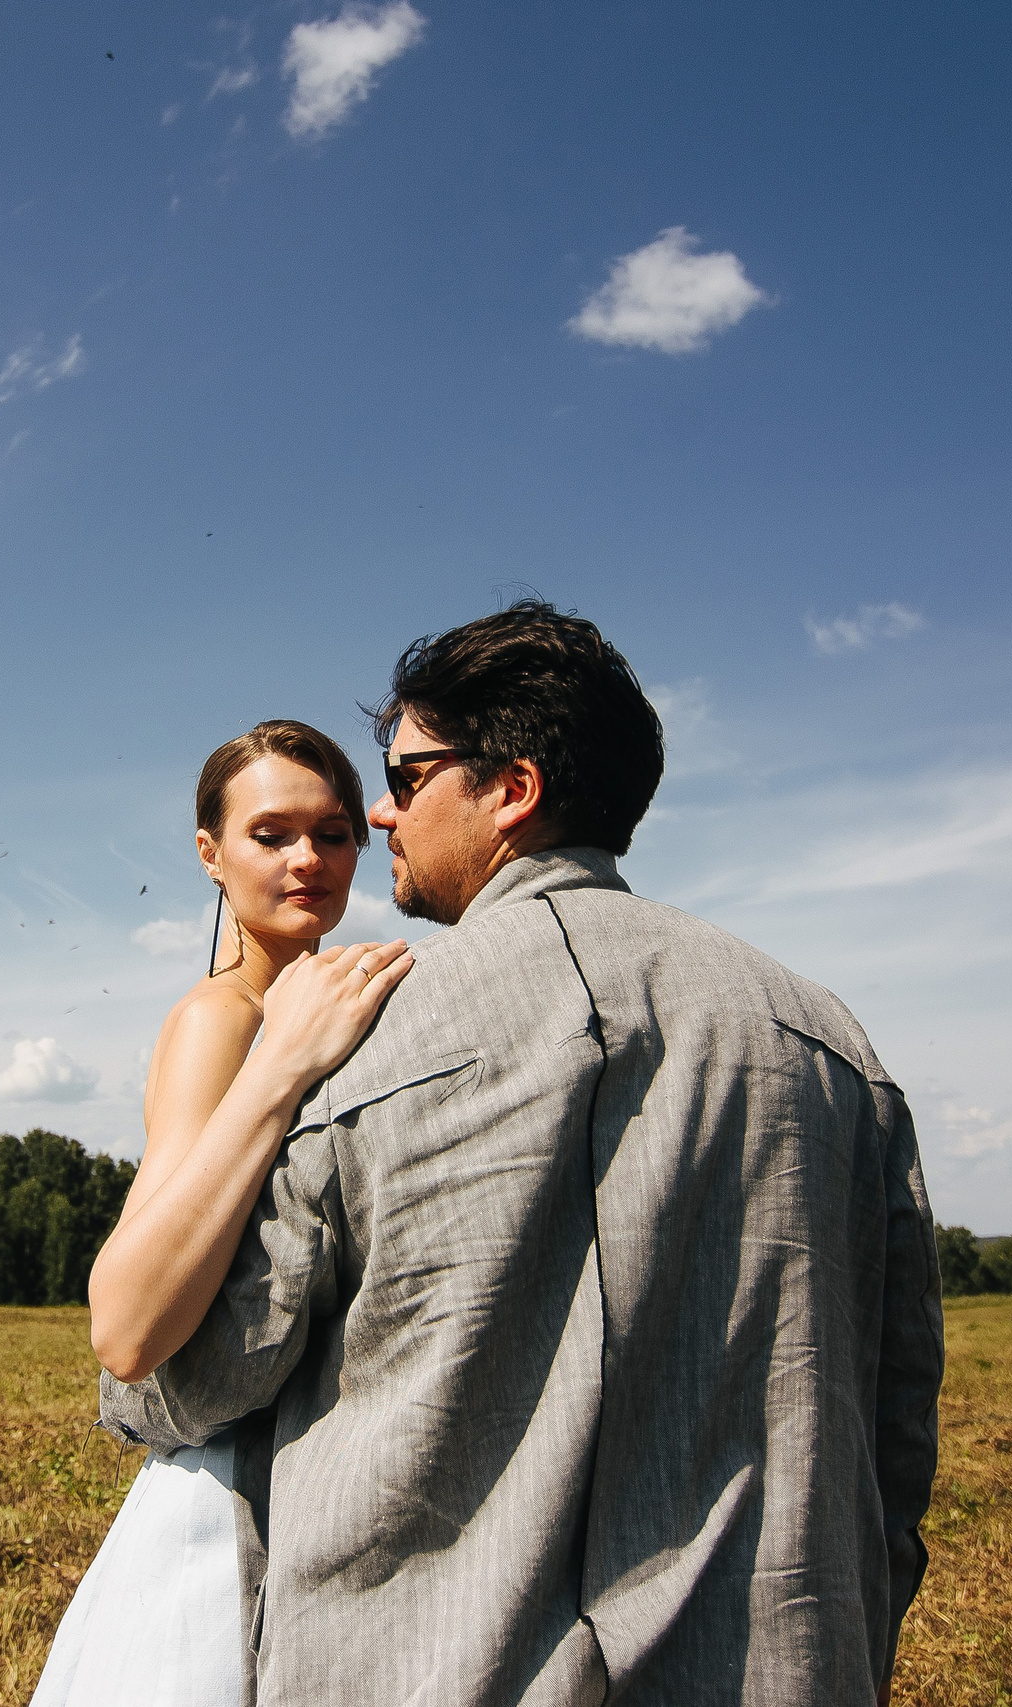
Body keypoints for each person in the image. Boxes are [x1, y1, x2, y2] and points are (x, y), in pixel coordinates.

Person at [101, 603, 944, 1707]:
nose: (389, 818)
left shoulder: (359, 1039)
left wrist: (139, 1407)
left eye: (402, 780)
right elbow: (896, 1423)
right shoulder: (828, 1040)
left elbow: (202, 1376)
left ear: (511, 789)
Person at [32, 718, 415, 1707]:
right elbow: (124, 1326)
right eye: (271, 834)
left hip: (320, 1486)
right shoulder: (223, 1018)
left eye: (333, 835)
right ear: (210, 854)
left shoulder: (333, 999)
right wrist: (282, 1064)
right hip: (221, 1509)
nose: (308, 861)